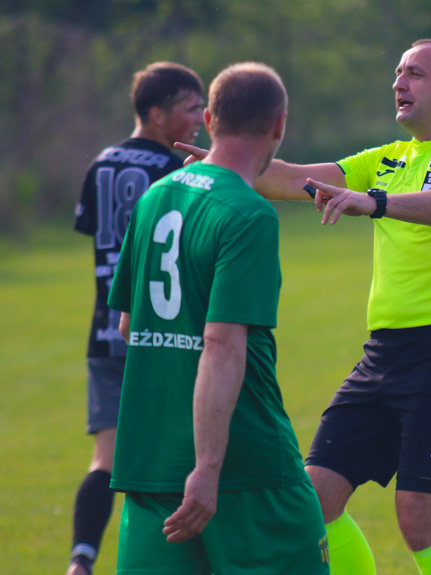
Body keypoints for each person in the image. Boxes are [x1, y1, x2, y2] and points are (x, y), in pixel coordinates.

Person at [179, 38, 431, 575]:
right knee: (314, 502)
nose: (399, 82)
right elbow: (289, 178)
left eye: (415, 74)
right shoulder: (387, 158)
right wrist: (226, 162)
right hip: (380, 356)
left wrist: (376, 202)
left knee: (419, 519)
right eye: (398, 71)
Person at [107, 61, 330, 575]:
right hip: (244, 466)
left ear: (208, 118)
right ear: (280, 125)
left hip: (152, 457)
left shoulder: (155, 196)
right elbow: (222, 344)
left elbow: (127, 325)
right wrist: (207, 469)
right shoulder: (247, 213)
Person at [69, 62, 205, 575]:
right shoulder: (174, 172)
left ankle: (81, 558)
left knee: (106, 460)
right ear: (155, 113)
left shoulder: (100, 164)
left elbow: (99, 239)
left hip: (104, 332)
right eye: (191, 108)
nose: (200, 119)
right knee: (180, 461)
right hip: (162, 336)